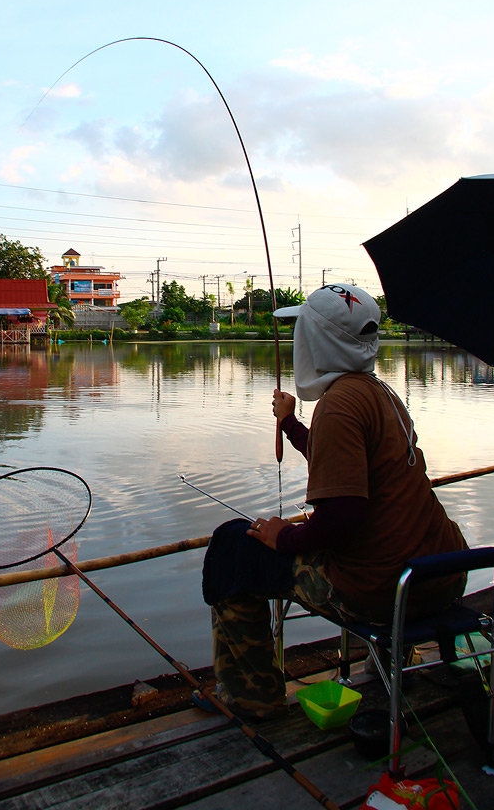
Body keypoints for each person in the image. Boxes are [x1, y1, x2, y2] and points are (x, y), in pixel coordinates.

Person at [198, 283, 467, 721]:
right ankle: (403, 660)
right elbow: (338, 458)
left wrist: (285, 537)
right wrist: (290, 423)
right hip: (441, 574)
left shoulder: (340, 403)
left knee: (233, 548)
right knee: (251, 540)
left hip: (384, 591)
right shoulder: (377, 391)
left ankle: (252, 696)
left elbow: (344, 516)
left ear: (316, 340)